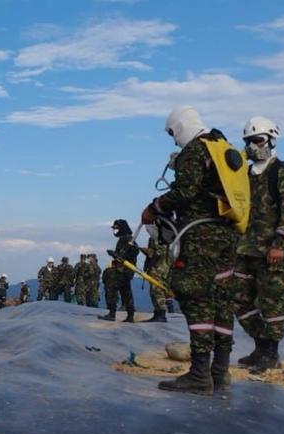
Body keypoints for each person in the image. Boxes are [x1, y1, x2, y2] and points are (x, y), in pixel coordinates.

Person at [142, 106, 240, 394]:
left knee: (193, 293)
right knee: (222, 300)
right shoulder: (223, 148)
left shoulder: (196, 151)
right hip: (227, 236)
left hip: (201, 237)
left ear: (181, 126)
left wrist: (154, 207)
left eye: (173, 133)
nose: (174, 140)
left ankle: (199, 375)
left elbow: (185, 193)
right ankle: (220, 372)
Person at [234, 116, 284, 374]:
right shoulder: (243, 174)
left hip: (271, 252)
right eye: (248, 142)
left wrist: (279, 244)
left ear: (272, 141)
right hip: (245, 249)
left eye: (258, 140)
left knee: (271, 303)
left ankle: (271, 354)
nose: (252, 147)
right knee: (238, 299)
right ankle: (261, 345)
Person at [100, 219, 139, 322]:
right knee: (126, 291)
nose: (115, 230)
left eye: (116, 228)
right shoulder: (127, 239)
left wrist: (114, 254)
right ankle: (130, 315)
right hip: (126, 271)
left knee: (111, 287)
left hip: (122, 270)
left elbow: (127, 255)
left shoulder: (127, 239)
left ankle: (112, 313)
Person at [140, 226, 172, 322]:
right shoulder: (154, 238)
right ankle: (157, 313)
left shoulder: (161, 238)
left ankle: (162, 313)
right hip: (155, 268)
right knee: (153, 291)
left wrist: (144, 250)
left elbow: (159, 253)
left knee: (157, 290)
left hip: (160, 268)